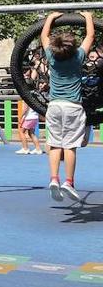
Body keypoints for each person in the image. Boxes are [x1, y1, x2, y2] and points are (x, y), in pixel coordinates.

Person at [41, 11, 93, 202]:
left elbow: (43, 36)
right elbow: (90, 36)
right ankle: (68, 182)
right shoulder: (78, 57)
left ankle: (54, 178)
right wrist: (88, 16)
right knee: (70, 146)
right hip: (73, 106)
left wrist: (50, 18)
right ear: (73, 47)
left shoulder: (51, 58)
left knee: (55, 143)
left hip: (54, 105)